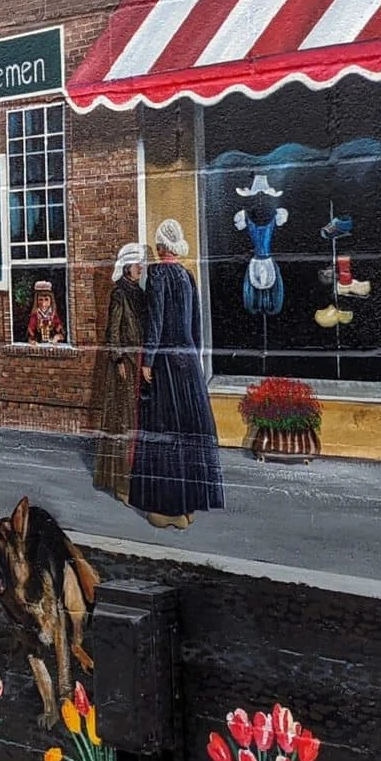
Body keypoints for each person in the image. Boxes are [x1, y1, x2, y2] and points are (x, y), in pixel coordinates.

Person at [130, 219, 224, 529]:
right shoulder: (187, 275)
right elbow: (196, 325)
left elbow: (155, 322)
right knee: (188, 432)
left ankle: (169, 509)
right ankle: (189, 506)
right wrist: (194, 360)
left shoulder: (157, 275)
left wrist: (148, 360)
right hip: (188, 363)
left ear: (160, 248)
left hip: (166, 362)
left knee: (164, 431)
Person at [91, 243, 147, 501]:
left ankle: (135, 478)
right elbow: (112, 331)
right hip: (124, 366)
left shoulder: (139, 292)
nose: (140, 268)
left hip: (139, 362)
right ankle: (121, 483)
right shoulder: (119, 294)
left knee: (136, 420)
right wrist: (119, 359)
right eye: (137, 265)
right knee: (123, 421)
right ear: (126, 268)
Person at [24, 280, 65, 344]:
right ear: (36, 301)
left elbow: (61, 333)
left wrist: (57, 337)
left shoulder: (53, 315)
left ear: (51, 300)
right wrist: (32, 341)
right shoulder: (35, 315)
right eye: (40, 300)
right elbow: (30, 334)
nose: (43, 303)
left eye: (46, 299)